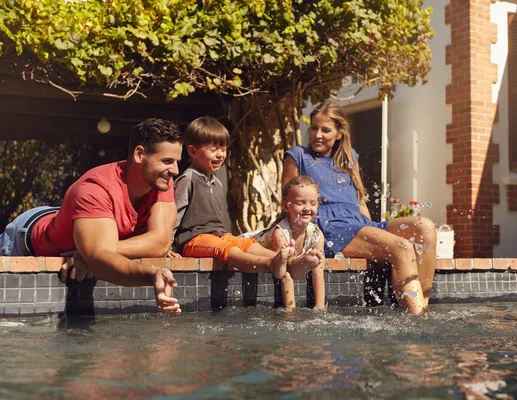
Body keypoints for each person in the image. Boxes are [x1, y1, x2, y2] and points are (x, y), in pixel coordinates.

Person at [0, 118, 184, 314]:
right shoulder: (95, 189)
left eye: (177, 162)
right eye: (167, 161)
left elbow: (161, 243)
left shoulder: (161, 181)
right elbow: (100, 261)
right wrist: (148, 273)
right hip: (25, 236)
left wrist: (93, 251)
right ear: (139, 154)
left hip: (73, 218)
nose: (175, 170)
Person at [282, 101, 437, 315]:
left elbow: (360, 200)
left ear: (339, 133)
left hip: (357, 224)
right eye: (314, 128)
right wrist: (298, 239)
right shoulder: (298, 155)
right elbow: (287, 202)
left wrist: (374, 230)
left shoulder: (349, 157)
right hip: (330, 227)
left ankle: (423, 305)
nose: (318, 134)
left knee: (425, 227)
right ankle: (416, 317)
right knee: (401, 247)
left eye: (325, 130)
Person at [173, 117, 322, 280]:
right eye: (214, 150)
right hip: (193, 241)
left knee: (247, 244)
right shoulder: (188, 179)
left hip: (217, 236)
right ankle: (270, 264)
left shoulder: (216, 182)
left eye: (223, 149)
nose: (220, 155)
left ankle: (290, 263)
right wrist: (169, 248)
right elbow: (174, 216)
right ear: (193, 152)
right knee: (226, 249)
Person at [252, 175, 326, 310]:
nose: (307, 208)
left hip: (289, 262)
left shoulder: (316, 235)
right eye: (300, 203)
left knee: (316, 261)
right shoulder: (280, 233)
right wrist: (290, 311)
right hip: (250, 244)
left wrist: (320, 310)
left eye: (312, 203)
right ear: (286, 206)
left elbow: (319, 273)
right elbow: (285, 273)